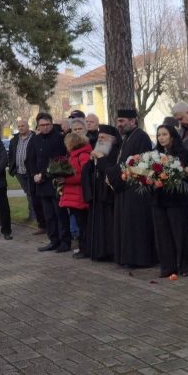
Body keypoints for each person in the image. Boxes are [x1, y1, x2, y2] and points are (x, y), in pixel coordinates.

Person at [106, 108, 158, 269]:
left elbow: (140, 163)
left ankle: (140, 259)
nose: (119, 124)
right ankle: (127, 257)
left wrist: (119, 177)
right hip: (125, 188)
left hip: (136, 189)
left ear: (133, 121)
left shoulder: (140, 137)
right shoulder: (127, 137)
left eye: (122, 121)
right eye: (118, 121)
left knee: (136, 225)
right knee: (126, 225)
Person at [150, 125, 188, 278]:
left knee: (179, 233)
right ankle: (168, 266)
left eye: (164, 134)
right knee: (162, 234)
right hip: (159, 199)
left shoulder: (181, 152)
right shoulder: (155, 154)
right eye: (159, 135)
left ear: (172, 136)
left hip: (177, 200)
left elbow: (187, 174)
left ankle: (184, 265)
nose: (161, 137)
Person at [27, 112, 71, 253]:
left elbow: (60, 161)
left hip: (55, 182)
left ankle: (65, 242)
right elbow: (30, 160)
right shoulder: (35, 140)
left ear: (52, 124)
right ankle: (53, 240)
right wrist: (34, 174)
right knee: (49, 215)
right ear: (37, 126)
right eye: (42, 125)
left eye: (47, 124)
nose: (45, 127)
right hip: (40, 183)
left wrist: (44, 175)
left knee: (60, 214)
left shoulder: (59, 138)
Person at [83, 125, 121, 262]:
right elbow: (87, 172)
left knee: (108, 224)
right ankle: (97, 251)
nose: (100, 140)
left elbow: (110, 170)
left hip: (108, 196)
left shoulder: (116, 152)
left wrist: (100, 160)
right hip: (97, 195)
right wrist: (91, 162)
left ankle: (109, 252)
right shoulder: (96, 151)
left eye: (103, 138)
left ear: (113, 140)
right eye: (99, 137)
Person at [59, 131, 92, 259]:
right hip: (73, 196)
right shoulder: (73, 155)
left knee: (83, 224)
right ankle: (83, 248)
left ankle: (86, 249)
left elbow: (84, 176)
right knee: (80, 223)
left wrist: (66, 180)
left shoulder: (82, 155)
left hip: (79, 197)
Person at [7, 118, 36, 222]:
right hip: (19, 171)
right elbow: (10, 155)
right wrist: (12, 167)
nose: (20, 128)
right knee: (28, 193)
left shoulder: (34, 138)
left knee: (32, 193)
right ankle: (32, 215)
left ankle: (34, 216)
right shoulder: (15, 140)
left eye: (22, 126)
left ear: (28, 126)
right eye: (19, 126)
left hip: (31, 171)